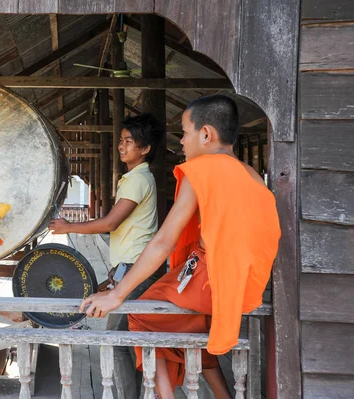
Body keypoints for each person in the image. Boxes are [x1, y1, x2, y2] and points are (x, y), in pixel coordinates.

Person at [79, 95, 281, 399]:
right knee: (193, 326)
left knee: (141, 316)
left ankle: (165, 396)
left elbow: (164, 241)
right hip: (246, 284)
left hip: (209, 278)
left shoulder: (202, 170)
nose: (182, 142)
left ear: (206, 134)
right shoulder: (252, 176)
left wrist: (116, 294)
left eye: (185, 132)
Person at [49, 113, 164, 399]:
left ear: (145, 148)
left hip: (138, 269)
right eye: (121, 141)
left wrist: (69, 227)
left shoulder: (138, 180)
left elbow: (111, 223)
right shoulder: (135, 178)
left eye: (129, 141)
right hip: (130, 268)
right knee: (125, 339)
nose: (122, 146)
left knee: (116, 341)